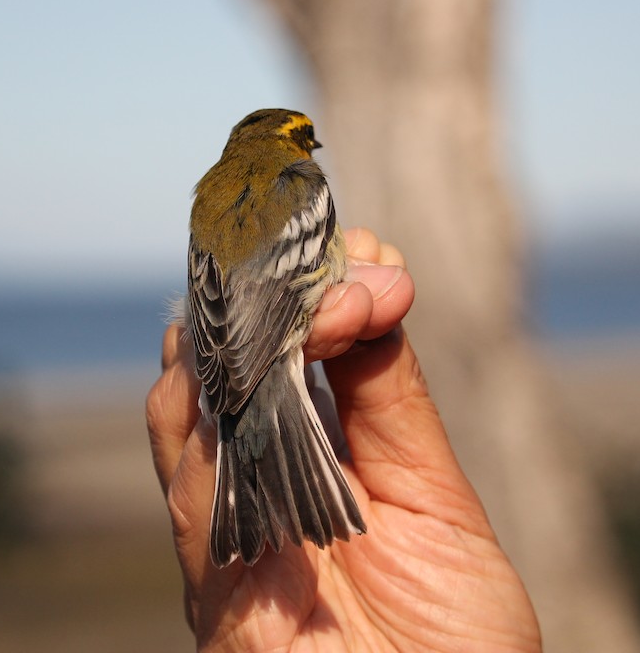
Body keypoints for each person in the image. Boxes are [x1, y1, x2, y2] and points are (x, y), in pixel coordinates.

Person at [147, 228, 543, 651]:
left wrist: (227, 369)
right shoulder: (300, 187)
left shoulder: (211, 208)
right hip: (266, 346)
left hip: (225, 347)